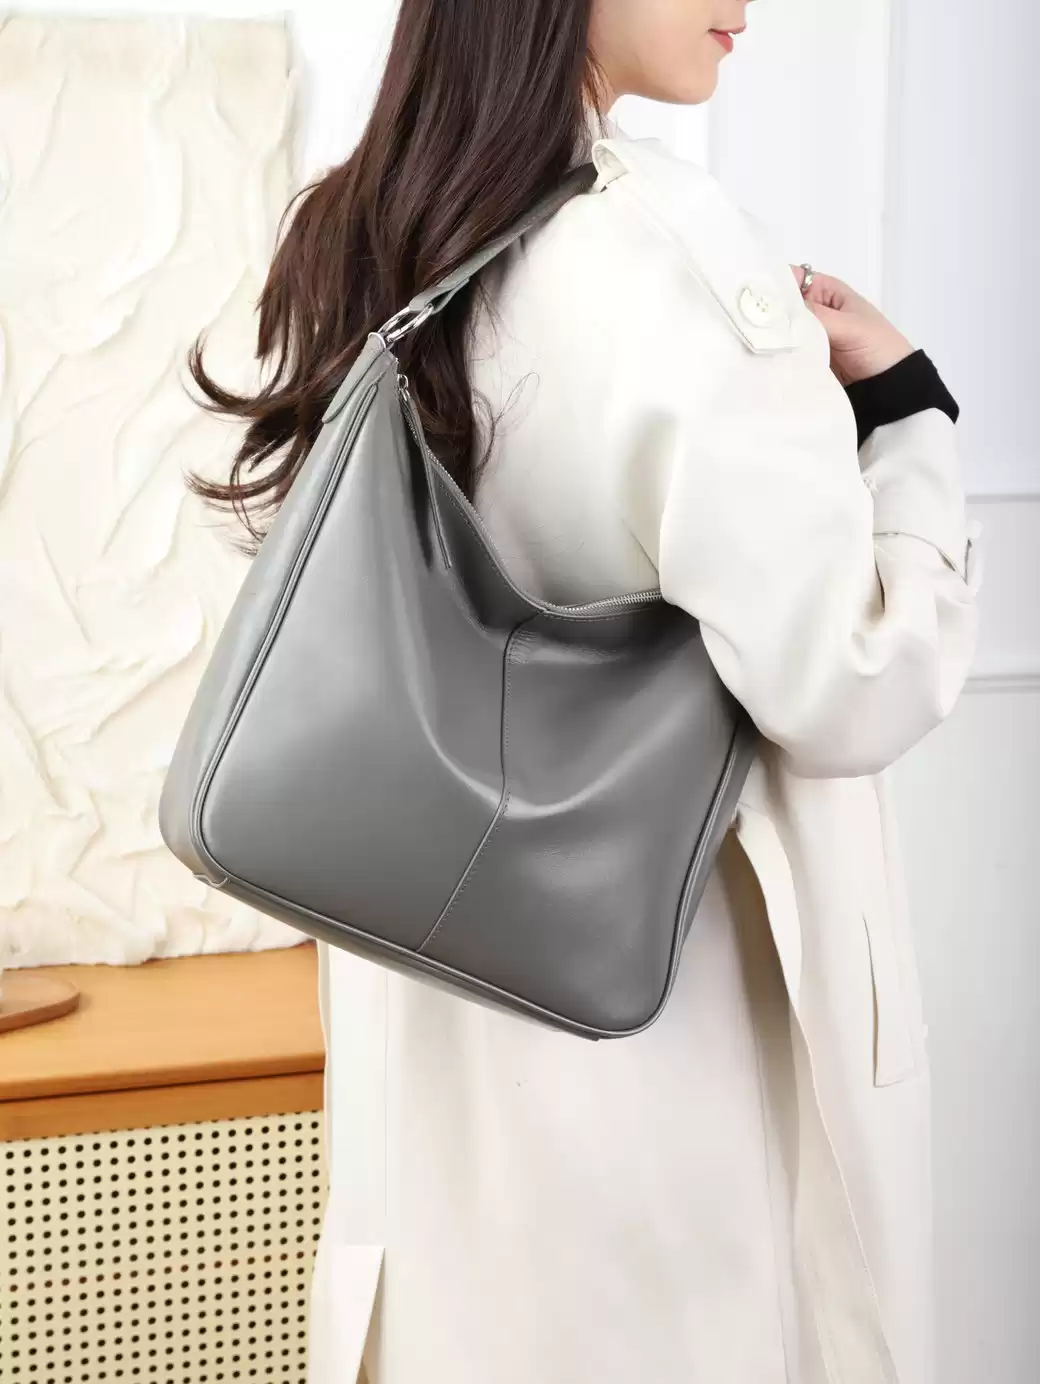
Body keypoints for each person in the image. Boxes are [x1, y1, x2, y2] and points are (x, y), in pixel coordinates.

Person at [184, 3, 982, 1381]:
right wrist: (907, 416)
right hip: (663, 1129)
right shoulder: (669, 259)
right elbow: (850, 684)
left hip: (435, 1122)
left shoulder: (353, 239)